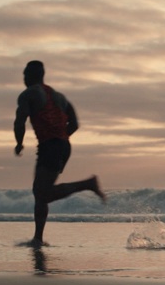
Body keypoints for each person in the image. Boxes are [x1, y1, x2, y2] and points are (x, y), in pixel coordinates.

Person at [14, 60, 106, 246]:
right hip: (62, 144)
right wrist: (61, 138)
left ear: (33, 75)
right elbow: (74, 124)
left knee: (43, 193)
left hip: (51, 145)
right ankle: (38, 238)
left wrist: (19, 143)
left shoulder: (28, 94)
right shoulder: (60, 97)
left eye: (25, 75)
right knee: (40, 192)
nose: (23, 78)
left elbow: (20, 121)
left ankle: (87, 184)